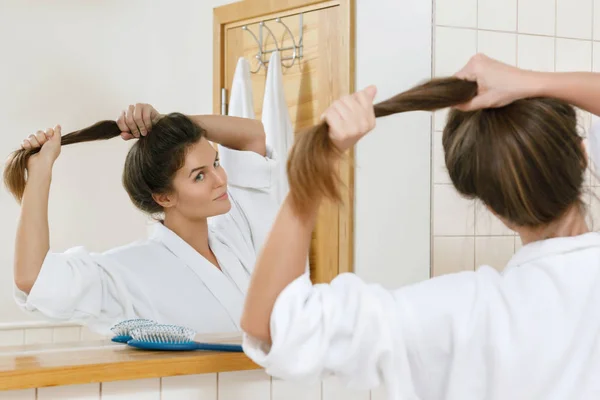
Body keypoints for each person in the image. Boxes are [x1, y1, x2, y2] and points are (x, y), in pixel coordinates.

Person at [240, 53, 600, 399]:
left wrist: (319, 160)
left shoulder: (460, 313)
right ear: (584, 155)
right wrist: (533, 82)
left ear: (491, 205)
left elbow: (271, 324)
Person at [4, 104, 280, 335]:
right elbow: (33, 277)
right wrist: (40, 172)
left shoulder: (234, 232)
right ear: (164, 197)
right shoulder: (126, 272)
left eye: (216, 163)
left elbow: (253, 136)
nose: (220, 180)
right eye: (199, 175)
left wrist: (165, 124)